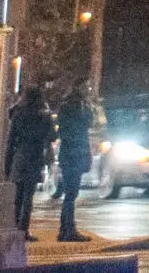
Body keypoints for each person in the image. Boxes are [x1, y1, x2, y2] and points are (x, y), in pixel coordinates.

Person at [3, 81, 57, 239]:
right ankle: (24, 230)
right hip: (35, 156)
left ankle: (15, 227)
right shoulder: (43, 114)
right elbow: (53, 135)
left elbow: (11, 141)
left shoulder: (18, 114)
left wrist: (7, 165)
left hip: (20, 156)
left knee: (18, 196)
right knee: (28, 196)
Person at [52, 85, 98, 242]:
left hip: (71, 155)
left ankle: (65, 230)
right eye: (87, 88)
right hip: (73, 155)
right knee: (71, 195)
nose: (89, 91)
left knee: (70, 194)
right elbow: (85, 124)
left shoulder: (72, 106)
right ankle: (68, 230)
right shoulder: (75, 107)